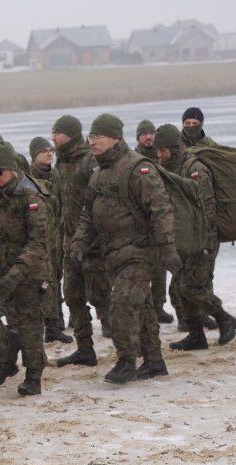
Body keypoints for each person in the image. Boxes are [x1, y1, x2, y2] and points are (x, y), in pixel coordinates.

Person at [70, 114, 180, 384]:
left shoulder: (138, 168)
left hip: (140, 251)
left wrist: (167, 248)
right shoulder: (99, 172)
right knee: (140, 307)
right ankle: (154, 361)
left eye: (97, 138)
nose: (91, 143)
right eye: (90, 138)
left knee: (121, 303)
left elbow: (161, 208)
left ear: (114, 138)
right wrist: (79, 242)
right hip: (112, 252)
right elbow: (88, 213)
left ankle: (126, 360)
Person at [0, 142, 50, 395]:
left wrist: (15, 275)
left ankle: (33, 376)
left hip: (30, 269)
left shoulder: (31, 196)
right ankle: (6, 358)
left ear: (12, 171)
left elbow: (38, 242)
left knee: (30, 322)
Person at [153, 124, 236, 350]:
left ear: (173, 148)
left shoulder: (195, 169)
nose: (160, 155)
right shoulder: (163, 168)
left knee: (192, 286)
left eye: (163, 150)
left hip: (202, 239)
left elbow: (207, 209)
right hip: (181, 238)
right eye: (158, 151)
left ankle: (224, 318)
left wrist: (204, 244)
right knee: (181, 287)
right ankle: (196, 335)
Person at [52, 114, 110, 369]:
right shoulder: (61, 163)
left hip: (94, 245)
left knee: (103, 298)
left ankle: (131, 349)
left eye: (58, 133)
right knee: (73, 296)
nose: (53, 138)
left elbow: (102, 203)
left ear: (72, 134)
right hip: (69, 245)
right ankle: (85, 349)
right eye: (52, 132)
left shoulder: (90, 161)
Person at [27, 136, 71, 344]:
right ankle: (44, 324)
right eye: (43, 151)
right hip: (37, 239)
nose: (49, 153)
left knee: (55, 278)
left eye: (51, 150)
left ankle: (56, 322)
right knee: (41, 282)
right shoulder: (28, 178)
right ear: (34, 155)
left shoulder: (57, 176)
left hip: (57, 235)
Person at [136, 119, 174, 324]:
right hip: (139, 223)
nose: (149, 137)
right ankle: (144, 308)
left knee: (161, 268)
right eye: (144, 133)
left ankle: (159, 306)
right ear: (138, 138)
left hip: (159, 220)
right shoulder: (132, 160)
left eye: (152, 133)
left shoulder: (163, 159)